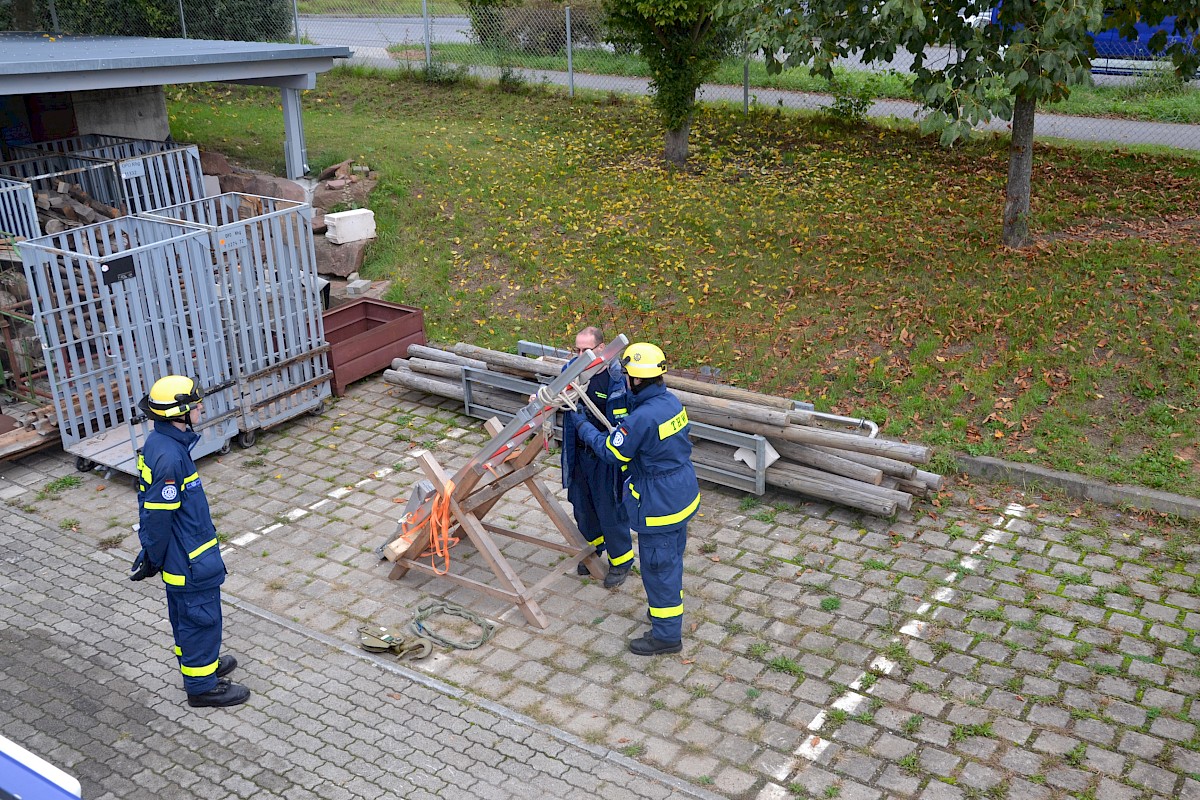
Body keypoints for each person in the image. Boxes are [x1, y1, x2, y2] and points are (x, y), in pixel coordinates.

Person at [569, 342, 701, 655]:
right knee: (671, 559)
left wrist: (580, 422)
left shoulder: (641, 420)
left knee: (659, 569)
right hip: (681, 492)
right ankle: (662, 613)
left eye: (627, 374)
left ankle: (667, 636)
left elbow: (610, 451)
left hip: (658, 503)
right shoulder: (669, 402)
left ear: (636, 380)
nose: (624, 378)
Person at [130, 375, 250, 708]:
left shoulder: (162, 443)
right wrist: (152, 556)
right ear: (180, 413)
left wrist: (153, 553)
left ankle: (203, 666)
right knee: (200, 619)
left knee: (190, 616)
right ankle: (202, 687)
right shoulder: (170, 458)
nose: (200, 408)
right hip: (190, 560)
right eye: (196, 404)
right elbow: (156, 516)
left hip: (185, 553)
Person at [560, 326, 635, 589]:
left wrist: (582, 424)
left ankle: (622, 560)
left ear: (602, 349)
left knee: (610, 509)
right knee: (582, 504)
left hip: (606, 459)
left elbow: (620, 429)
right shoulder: (571, 371)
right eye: (577, 349)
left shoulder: (617, 381)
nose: (580, 355)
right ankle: (594, 547)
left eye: (586, 350)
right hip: (578, 453)